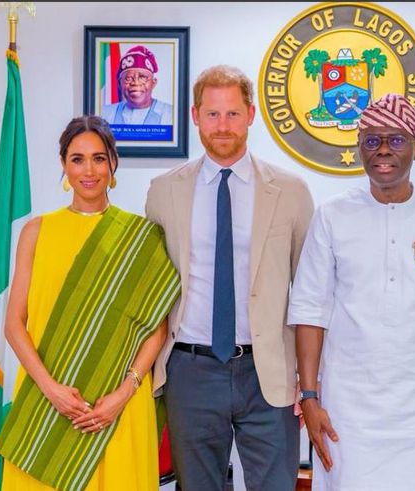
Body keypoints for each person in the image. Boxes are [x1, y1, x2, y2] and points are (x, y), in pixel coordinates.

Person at [289, 93, 415, 491]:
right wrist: (309, 396)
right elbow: (311, 309)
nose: (382, 150)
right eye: (372, 140)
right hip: (348, 407)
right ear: (358, 145)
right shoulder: (332, 215)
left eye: (396, 140)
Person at [145, 65, 314, 490]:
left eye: (233, 114)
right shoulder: (163, 191)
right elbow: (150, 288)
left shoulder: (290, 191)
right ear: (196, 116)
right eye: (213, 114)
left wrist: (311, 381)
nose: (223, 126)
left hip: (269, 372)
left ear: (252, 114)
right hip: (190, 369)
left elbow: (311, 292)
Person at [0, 115, 180, 490]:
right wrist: (53, 391)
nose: (89, 170)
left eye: (99, 158)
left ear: (113, 164)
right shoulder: (37, 232)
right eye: (77, 159)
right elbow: (14, 324)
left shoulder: (141, 238)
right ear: (64, 165)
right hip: (48, 403)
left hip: (117, 408)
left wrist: (123, 393)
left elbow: (156, 329)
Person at [101, 45, 173, 125]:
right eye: (128, 78)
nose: (135, 82)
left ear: (153, 83)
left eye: (142, 77)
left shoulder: (171, 114)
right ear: (119, 84)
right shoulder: (104, 114)